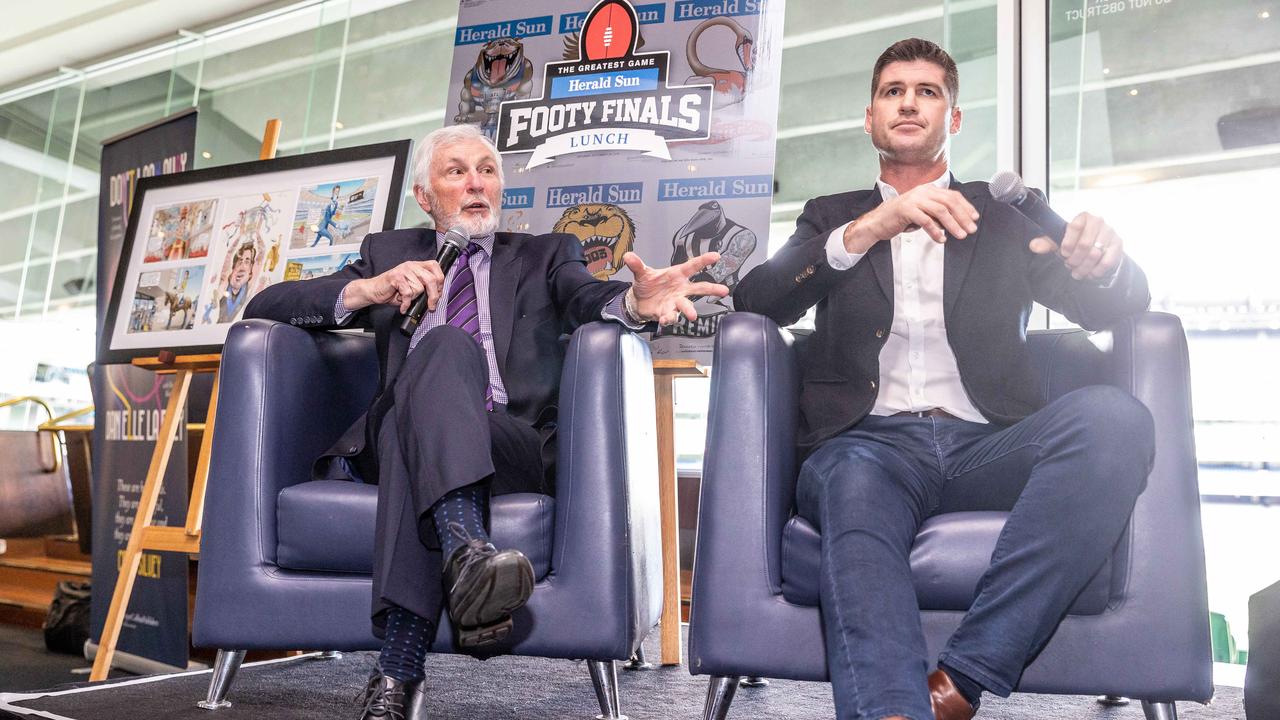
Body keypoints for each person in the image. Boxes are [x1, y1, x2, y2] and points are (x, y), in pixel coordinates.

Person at [732, 38, 1154, 720]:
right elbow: (758, 301)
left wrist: (1105, 263)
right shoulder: (831, 216)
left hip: (989, 442)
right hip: (867, 447)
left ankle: (961, 678)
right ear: (870, 118)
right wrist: (869, 228)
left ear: (953, 120)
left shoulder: (1003, 215)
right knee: (851, 485)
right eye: (893, 89)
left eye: (928, 91)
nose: (908, 101)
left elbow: (1115, 305)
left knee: (1115, 419)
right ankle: (894, 710)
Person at [244, 123, 726, 720]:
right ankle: (467, 554)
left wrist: (632, 302)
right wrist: (370, 288)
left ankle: (398, 672)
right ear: (425, 196)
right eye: (456, 172)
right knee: (431, 371)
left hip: (508, 443)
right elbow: (264, 306)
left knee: (417, 409)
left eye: (487, 170)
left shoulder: (546, 252)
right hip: (404, 428)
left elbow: (587, 296)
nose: (476, 183)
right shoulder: (387, 253)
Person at [217, 241, 258, 323]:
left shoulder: (249, 289)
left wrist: (257, 232)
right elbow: (229, 254)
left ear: (250, 272)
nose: (242, 267)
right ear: (233, 267)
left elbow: (262, 254)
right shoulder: (224, 285)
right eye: (239, 261)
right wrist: (240, 235)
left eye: (247, 262)